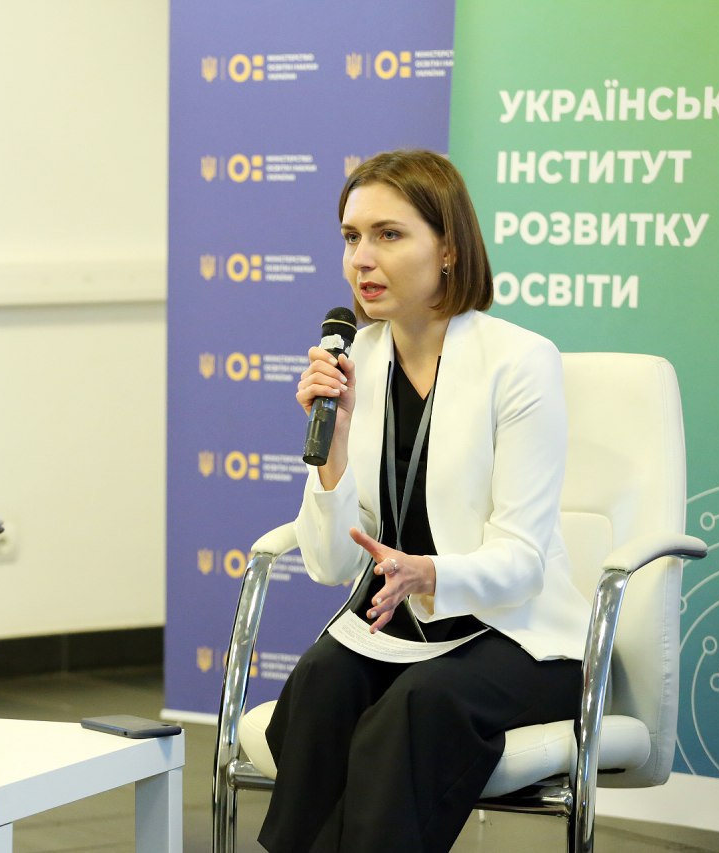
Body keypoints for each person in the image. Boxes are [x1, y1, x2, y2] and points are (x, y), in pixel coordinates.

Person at [257, 150, 591, 852]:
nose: (362, 259)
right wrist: (333, 447)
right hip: (406, 633)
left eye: (388, 234)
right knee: (320, 683)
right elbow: (328, 564)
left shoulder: (518, 361)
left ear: (448, 248)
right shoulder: (358, 360)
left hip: (520, 635)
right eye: (351, 237)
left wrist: (431, 573)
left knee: (418, 706)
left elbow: (524, 561)